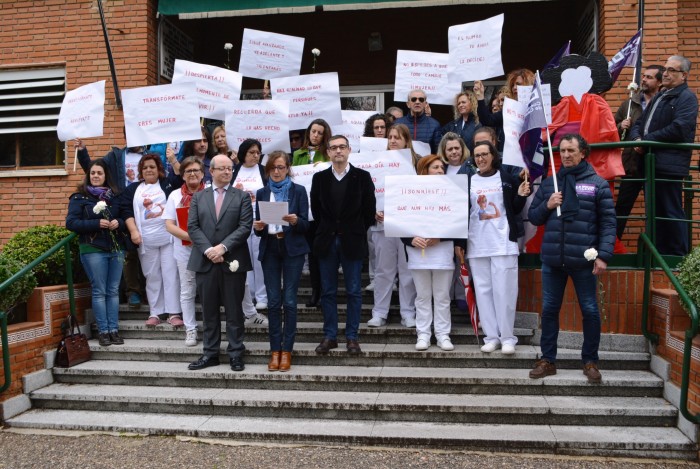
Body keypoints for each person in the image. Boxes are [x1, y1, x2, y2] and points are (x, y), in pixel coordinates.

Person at [527, 134, 616, 383]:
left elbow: (608, 223)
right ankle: (547, 360)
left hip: (584, 261)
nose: (565, 155)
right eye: (562, 151)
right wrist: (547, 203)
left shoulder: (597, 184)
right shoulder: (549, 183)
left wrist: (604, 256)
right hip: (553, 260)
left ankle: (590, 361)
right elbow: (534, 217)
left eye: (571, 150)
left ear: (583, 153)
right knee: (550, 310)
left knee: (589, 310)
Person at [455, 141, 530, 355]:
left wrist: (522, 194)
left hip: (503, 243)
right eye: (476, 156)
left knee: (505, 292)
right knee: (484, 292)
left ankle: (508, 337)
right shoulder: (467, 180)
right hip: (477, 244)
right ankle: (491, 336)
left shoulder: (506, 178)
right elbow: (461, 213)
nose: (480, 159)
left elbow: (514, 207)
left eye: (484, 154)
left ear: (493, 156)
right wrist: (459, 243)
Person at [187, 154, 253, 372]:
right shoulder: (199, 197)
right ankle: (210, 353)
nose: (227, 172)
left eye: (230, 168)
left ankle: (235, 353)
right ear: (211, 171)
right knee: (209, 311)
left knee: (234, 311)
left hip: (232, 260)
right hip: (205, 262)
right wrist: (209, 250)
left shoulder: (242, 197)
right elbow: (193, 227)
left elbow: (244, 227)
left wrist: (222, 248)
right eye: (222, 168)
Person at [310, 135, 376, 355]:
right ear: (328, 152)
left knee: (354, 291)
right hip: (327, 240)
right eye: (333, 148)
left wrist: (354, 230)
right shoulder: (319, 179)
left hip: (352, 240)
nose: (338, 151)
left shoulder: (362, 177)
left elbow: (368, 211)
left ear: (349, 150)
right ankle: (330, 336)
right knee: (327, 291)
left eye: (342, 147)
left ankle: (352, 337)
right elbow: (317, 211)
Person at [630, 55, 698, 256]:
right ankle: (659, 253)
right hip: (650, 163)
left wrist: (647, 140)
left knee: (670, 209)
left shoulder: (686, 98)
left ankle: (677, 256)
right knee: (655, 211)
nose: (665, 73)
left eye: (671, 70)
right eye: (665, 69)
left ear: (684, 75)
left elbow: (679, 128)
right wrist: (636, 139)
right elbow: (639, 123)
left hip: (669, 165)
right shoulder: (660, 95)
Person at [253, 151, 310, 372]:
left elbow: (306, 225)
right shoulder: (261, 192)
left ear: (288, 169)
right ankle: (274, 350)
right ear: (267, 170)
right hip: (270, 249)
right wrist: (258, 228)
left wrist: (296, 221)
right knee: (273, 302)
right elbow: (260, 230)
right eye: (273, 168)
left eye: (281, 168)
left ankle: (287, 350)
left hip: (292, 249)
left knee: (290, 302)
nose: (277, 172)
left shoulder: (298, 191)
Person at [74, 137, 145, 308]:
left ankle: (152, 292)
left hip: (147, 204)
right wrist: (82, 151)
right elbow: (93, 168)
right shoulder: (115, 155)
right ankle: (133, 291)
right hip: (124, 203)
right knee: (129, 253)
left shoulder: (153, 154)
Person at [66, 160, 126, 347]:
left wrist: (119, 223)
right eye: (93, 173)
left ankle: (114, 330)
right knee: (100, 291)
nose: (96, 176)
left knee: (113, 291)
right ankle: (103, 331)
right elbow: (71, 223)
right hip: (92, 249)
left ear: (106, 175)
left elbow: (126, 217)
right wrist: (96, 223)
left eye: (99, 173)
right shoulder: (79, 198)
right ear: (88, 176)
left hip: (115, 248)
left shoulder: (114, 197)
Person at [121, 154, 183, 328]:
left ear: (159, 170)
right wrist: (133, 231)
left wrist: (172, 159)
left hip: (169, 239)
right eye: (145, 167)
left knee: (171, 275)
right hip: (146, 240)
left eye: (152, 167)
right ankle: (155, 312)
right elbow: (126, 211)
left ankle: (173, 313)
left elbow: (180, 177)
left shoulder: (167, 184)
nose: (149, 170)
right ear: (140, 170)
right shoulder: (133, 189)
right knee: (152, 276)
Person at [367, 124, 418, 329]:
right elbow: (369, 192)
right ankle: (379, 312)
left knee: (407, 271)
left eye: (398, 137)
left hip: (407, 225)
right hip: (383, 225)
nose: (393, 141)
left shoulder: (417, 164)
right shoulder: (377, 163)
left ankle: (408, 313)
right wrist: (373, 210)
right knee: (383, 271)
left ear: (407, 141)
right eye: (390, 137)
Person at [401, 154, 454, 351]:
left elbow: (458, 222)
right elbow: (400, 222)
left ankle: (443, 335)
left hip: (442, 251)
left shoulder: (451, 192)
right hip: (418, 251)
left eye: (442, 168)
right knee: (422, 295)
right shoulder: (409, 193)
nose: (440, 171)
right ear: (424, 170)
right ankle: (423, 334)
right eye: (435, 168)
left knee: (442, 295)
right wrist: (410, 239)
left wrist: (441, 238)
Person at [614, 65, 664, 241]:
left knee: (658, 207)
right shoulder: (629, 103)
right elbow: (612, 129)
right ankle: (613, 246)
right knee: (622, 206)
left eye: (649, 77)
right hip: (632, 162)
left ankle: (659, 247)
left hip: (656, 162)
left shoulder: (664, 102)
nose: (643, 80)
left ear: (659, 82)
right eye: (643, 76)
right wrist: (621, 126)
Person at [163, 156, 205, 347]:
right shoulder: (174, 196)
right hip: (184, 249)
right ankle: (190, 329)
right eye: (188, 171)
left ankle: (213, 328)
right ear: (183, 175)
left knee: (210, 289)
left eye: (196, 170)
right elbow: (170, 225)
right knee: (187, 290)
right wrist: (192, 237)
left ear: (203, 173)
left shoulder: (212, 192)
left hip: (209, 249)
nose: (193, 174)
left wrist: (203, 240)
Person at [292, 118, 333, 307]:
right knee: (312, 254)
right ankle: (316, 290)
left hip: (324, 211)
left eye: (319, 132)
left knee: (324, 252)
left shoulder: (329, 154)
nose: (315, 135)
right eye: (313, 131)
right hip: (304, 209)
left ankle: (326, 291)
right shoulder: (298, 154)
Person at [233, 139, 269, 310]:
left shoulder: (264, 171)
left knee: (259, 258)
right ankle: (249, 295)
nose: (256, 155)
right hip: (239, 222)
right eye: (252, 152)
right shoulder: (234, 171)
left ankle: (262, 296)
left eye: (258, 152)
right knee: (244, 258)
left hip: (259, 220)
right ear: (243, 154)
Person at [474, 69, 535, 151]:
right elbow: (487, 120)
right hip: (510, 158)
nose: (514, 88)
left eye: (518, 84)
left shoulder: (538, 107)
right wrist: (480, 96)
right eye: (512, 85)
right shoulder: (510, 110)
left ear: (529, 85)